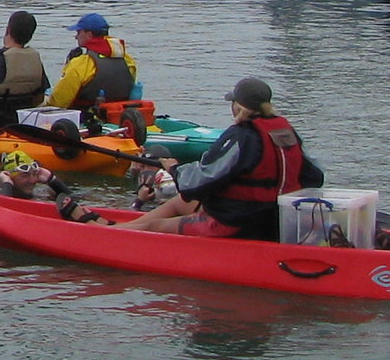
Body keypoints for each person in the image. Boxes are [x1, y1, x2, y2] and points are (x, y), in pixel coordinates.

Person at [127, 77, 321, 241]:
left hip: (237, 224)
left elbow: (203, 176)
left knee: (155, 226)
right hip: (277, 220)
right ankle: (117, 226)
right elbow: (314, 177)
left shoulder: (241, 136)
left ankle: (109, 236)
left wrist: (174, 169)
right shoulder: (286, 131)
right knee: (178, 203)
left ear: (238, 107)